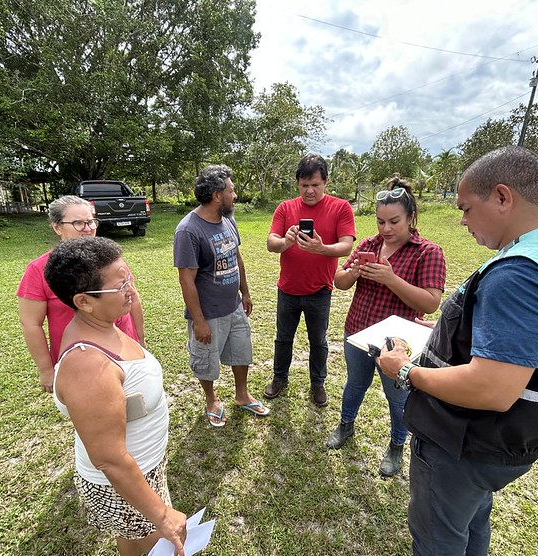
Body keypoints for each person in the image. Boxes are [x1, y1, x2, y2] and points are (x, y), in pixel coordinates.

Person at [351, 146, 538, 556]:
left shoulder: (519, 273)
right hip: (511, 438)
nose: (463, 220)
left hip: (465, 436)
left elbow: (492, 386)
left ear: (502, 197)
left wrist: (405, 369)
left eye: (467, 208)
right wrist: (448, 328)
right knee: (471, 515)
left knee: (437, 538)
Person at [45, 236, 186, 556]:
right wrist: (162, 514)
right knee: (167, 552)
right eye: (119, 284)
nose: (130, 289)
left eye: (128, 277)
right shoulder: (88, 366)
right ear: (84, 301)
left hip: (143, 467)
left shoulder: (104, 326)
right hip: (122, 478)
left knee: (131, 532)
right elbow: (108, 457)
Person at [326, 178, 446, 477]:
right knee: (355, 383)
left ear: (410, 217)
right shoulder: (368, 244)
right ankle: (346, 425)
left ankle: (396, 445)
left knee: (398, 397)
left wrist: (391, 279)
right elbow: (338, 283)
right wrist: (352, 271)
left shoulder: (427, 252)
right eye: (380, 221)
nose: (386, 229)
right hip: (358, 332)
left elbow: (431, 302)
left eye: (394, 221)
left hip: (397, 344)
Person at [173, 164, 270, 428]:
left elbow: (236, 256)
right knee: (206, 361)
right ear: (217, 195)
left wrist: (245, 292)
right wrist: (199, 321)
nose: (235, 195)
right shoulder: (188, 230)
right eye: (231, 190)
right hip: (208, 312)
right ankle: (211, 400)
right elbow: (186, 280)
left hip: (234, 306)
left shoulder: (228, 219)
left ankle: (241, 395)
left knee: (241, 351)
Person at [16, 195, 145, 392]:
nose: (88, 228)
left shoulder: (111, 260)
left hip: (125, 346)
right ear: (57, 227)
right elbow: (31, 324)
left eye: (91, 221)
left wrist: (140, 341)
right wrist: (46, 370)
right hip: (82, 357)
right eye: (78, 223)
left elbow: (133, 298)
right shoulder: (38, 269)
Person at [263, 154, 356, 407]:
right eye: (304, 185)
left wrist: (321, 248)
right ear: (297, 184)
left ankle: (318, 383)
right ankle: (279, 378)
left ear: (326, 182)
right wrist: (286, 242)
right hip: (288, 289)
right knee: (283, 338)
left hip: (319, 291)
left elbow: (346, 246)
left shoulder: (340, 207)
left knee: (318, 341)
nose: (309, 191)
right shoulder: (285, 208)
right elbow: (272, 242)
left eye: (315, 184)